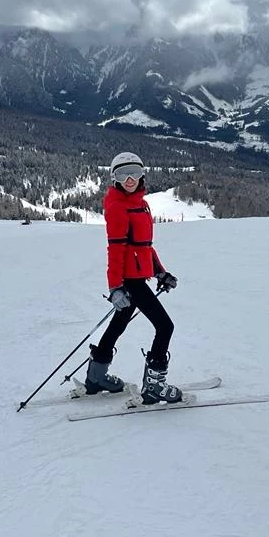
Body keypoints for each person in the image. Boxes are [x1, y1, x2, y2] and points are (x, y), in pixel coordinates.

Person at [84, 151, 183, 404]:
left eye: (135, 174)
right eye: (122, 174)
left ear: (142, 176)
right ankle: (154, 386)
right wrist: (116, 287)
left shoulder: (140, 203)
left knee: (119, 323)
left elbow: (144, 246)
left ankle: (96, 377)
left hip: (138, 276)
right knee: (165, 326)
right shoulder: (118, 207)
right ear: (114, 178)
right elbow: (115, 250)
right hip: (131, 281)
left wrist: (160, 271)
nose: (130, 179)